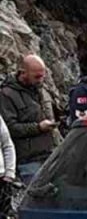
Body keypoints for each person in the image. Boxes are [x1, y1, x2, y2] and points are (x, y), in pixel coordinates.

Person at [0, 54, 63, 184]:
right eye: (37, 76)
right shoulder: (6, 95)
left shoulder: (43, 89)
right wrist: (38, 127)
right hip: (29, 161)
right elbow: (10, 129)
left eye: (43, 75)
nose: (41, 79)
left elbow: (55, 112)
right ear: (23, 73)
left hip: (53, 154)